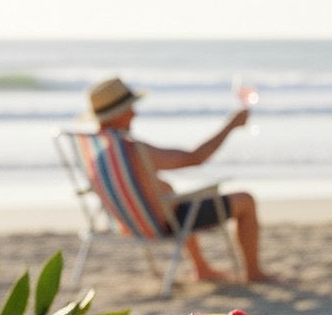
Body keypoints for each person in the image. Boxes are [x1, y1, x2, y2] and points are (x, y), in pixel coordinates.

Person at [87, 76, 272, 283]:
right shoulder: (131, 151)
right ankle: (254, 273)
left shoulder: (98, 156)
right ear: (116, 114)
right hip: (165, 223)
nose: (134, 113)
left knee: (175, 198)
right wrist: (231, 125)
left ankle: (201, 268)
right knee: (245, 200)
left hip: (131, 224)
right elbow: (195, 158)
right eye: (129, 108)